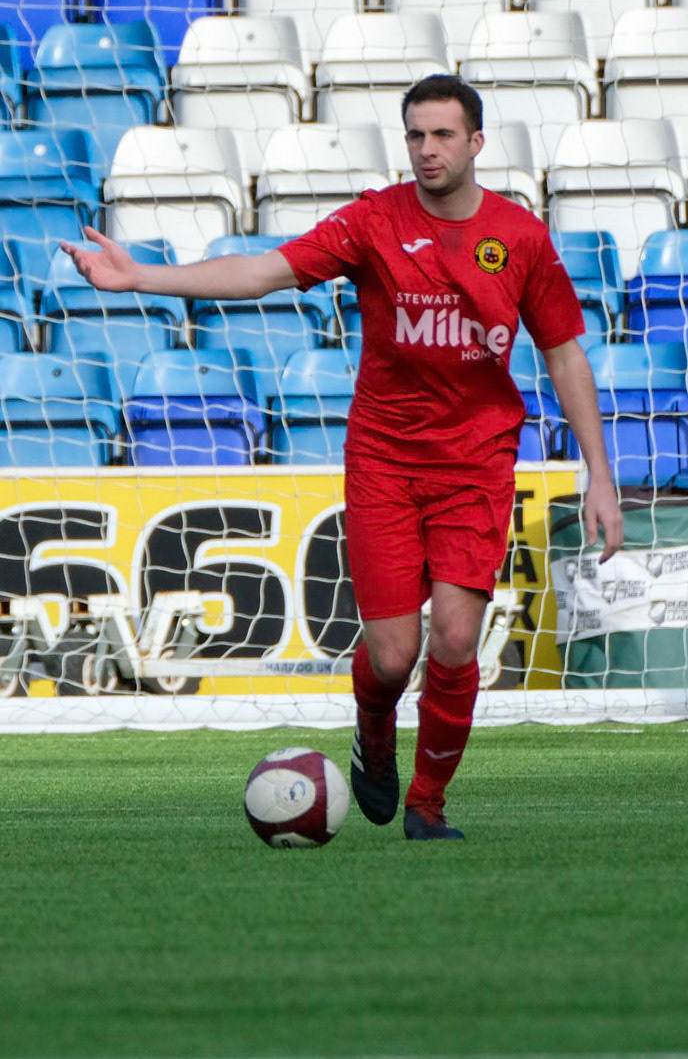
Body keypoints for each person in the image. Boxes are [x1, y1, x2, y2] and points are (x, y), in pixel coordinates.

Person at [62, 74, 623, 842]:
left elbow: (564, 353)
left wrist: (601, 475)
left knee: (457, 638)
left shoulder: (518, 237)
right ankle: (373, 730)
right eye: (416, 135)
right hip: (386, 462)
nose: (427, 150)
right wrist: (144, 277)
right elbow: (264, 270)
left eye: (443, 135)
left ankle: (428, 804)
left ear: (476, 143)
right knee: (393, 656)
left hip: (475, 463)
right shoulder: (373, 222)